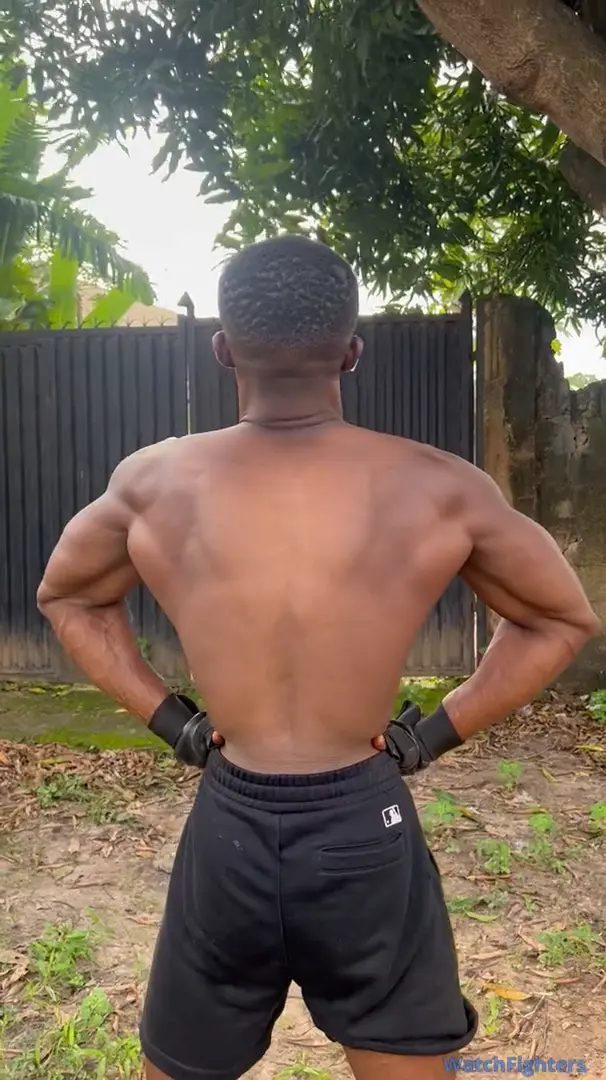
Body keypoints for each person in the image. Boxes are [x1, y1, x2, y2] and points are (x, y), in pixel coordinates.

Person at [37, 236, 599, 1080]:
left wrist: (176, 724)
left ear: (223, 350)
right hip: (362, 822)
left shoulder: (153, 485)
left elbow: (68, 598)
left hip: (229, 824)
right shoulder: (439, 486)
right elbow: (560, 619)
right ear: (352, 351)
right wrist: (425, 738)